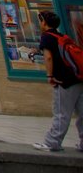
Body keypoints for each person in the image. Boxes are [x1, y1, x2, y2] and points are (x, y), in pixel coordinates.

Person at [33, 11, 83, 151]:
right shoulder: (62, 36)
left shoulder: (47, 37)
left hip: (64, 81)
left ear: (44, 22)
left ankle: (52, 142)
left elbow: (48, 57)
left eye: (40, 20)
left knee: (61, 113)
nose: (40, 23)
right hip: (78, 79)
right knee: (82, 113)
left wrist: (49, 75)